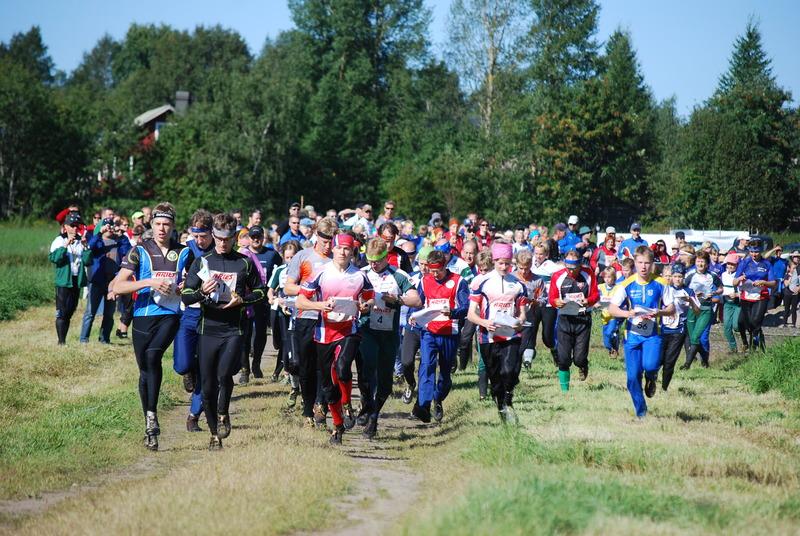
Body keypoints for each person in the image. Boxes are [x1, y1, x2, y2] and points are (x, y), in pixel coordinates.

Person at [181, 213, 266, 450]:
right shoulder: (202, 262)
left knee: (224, 374)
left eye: (227, 239)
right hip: (208, 329)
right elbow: (186, 296)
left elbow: (261, 291)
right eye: (218, 238)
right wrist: (201, 293)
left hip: (233, 329)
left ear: (235, 237)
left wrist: (243, 300)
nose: (222, 243)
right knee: (208, 386)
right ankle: (214, 434)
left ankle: (223, 412)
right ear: (213, 236)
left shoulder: (244, 262)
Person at [113, 203, 188, 451]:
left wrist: (183, 288)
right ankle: (150, 418)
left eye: (166, 224)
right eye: (158, 224)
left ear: (173, 226)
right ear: (152, 225)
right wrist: (149, 282)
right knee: (144, 370)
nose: (162, 228)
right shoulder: (139, 251)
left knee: (153, 356)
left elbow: (194, 284)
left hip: (170, 315)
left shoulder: (185, 252)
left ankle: (152, 419)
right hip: (143, 316)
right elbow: (118, 286)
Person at [296, 233, 374, 445]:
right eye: (339, 248)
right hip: (324, 333)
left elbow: (370, 298)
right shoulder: (320, 273)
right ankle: (337, 426)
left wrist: (365, 306)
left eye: (347, 249)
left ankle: (347, 403)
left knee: (342, 367)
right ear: (333, 249)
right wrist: (319, 305)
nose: (343, 252)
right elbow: (301, 301)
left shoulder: (360, 275)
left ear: (352, 251)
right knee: (328, 388)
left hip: (349, 329)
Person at [359, 238, 421, 438]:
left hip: (388, 334)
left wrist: (398, 299)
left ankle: (374, 416)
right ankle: (366, 405)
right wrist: (360, 305)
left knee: (385, 382)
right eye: (370, 260)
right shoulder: (361, 274)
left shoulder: (398, 275)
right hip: (367, 330)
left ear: (386, 257)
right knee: (367, 371)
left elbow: (416, 300)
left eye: (377, 261)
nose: (373, 264)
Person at [284, 217, 339, 426]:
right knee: (305, 366)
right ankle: (308, 408)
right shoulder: (303, 256)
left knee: (325, 366)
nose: (328, 246)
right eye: (325, 241)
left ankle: (320, 405)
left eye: (331, 241)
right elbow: (289, 287)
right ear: (317, 236)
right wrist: (308, 289)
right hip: (306, 316)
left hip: (329, 320)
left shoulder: (338, 259)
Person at [607, 248, 673, 419]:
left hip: (653, 335)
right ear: (635, 263)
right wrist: (626, 313)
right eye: (640, 263)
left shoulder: (661, 283)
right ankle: (641, 412)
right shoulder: (626, 284)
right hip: (632, 336)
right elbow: (612, 308)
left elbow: (672, 308)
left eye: (647, 263)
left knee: (650, 366)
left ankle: (651, 377)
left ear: (652, 264)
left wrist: (659, 312)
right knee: (632, 378)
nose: (643, 267)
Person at [467, 242, 528, 423]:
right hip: (488, 337)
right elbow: (471, 314)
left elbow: (522, 313)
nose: (504, 267)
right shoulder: (481, 282)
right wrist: (484, 322)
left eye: (507, 263)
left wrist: (520, 322)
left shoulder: (518, 284)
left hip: (511, 335)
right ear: (494, 261)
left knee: (509, 371)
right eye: (500, 263)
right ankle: (501, 406)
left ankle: (508, 400)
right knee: (495, 379)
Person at [410, 250, 469, 423]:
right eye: (432, 271)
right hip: (429, 332)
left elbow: (466, 307)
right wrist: (413, 316)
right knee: (426, 365)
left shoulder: (458, 281)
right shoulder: (424, 281)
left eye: (438, 271)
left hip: (449, 332)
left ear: (445, 266)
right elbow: (418, 303)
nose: (435, 274)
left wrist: (453, 312)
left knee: (445, 372)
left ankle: (438, 398)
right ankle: (424, 406)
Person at [548, 249, 599, 391]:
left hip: (583, 318)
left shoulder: (588, 274)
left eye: (574, 268)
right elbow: (551, 298)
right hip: (564, 318)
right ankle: (565, 390)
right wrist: (556, 302)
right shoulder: (557, 276)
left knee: (579, 358)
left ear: (580, 264)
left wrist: (588, 300)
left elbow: (596, 295)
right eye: (568, 267)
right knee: (563, 358)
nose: (571, 271)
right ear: (565, 264)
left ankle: (583, 364)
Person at [238, 225, 281, 384]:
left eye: (259, 237)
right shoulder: (242, 254)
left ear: (263, 238)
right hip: (245, 300)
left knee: (261, 334)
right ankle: (245, 370)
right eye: (253, 237)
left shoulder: (272, 254)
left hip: (263, 300)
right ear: (249, 238)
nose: (256, 239)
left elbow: (280, 274)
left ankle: (256, 363)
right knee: (244, 335)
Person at [80, 217, 130, 344]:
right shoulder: (98, 241)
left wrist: (121, 235)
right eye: (106, 225)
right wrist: (99, 233)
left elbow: (128, 251)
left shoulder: (119, 241)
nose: (109, 228)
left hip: (112, 283)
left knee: (109, 314)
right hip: (97, 281)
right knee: (90, 312)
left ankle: (104, 339)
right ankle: (84, 339)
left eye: (111, 225)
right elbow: (90, 247)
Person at [49, 213, 93, 345]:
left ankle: (63, 340)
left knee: (70, 311)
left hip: (76, 280)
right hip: (64, 281)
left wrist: (85, 246)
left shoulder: (81, 241)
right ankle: (61, 341)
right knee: (62, 312)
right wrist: (65, 245)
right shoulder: (59, 240)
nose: (75, 228)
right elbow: (54, 258)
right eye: (72, 226)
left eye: (77, 226)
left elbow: (88, 261)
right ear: (66, 226)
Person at [268, 241, 302, 404]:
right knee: (285, 344)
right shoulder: (280, 270)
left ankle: (297, 379)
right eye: (287, 257)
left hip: (301, 312)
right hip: (283, 313)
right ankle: (288, 374)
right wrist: (274, 299)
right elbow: (270, 290)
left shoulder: (304, 270)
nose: (290, 260)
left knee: (299, 348)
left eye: (293, 256)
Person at [398, 246, 432, 405]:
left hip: (430, 328)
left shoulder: (438, 280)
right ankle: (410, 384)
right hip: (412, 326)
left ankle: (423, 399)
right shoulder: (412, 278)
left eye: (427, 264)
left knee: (426, 364)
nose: (424, 268)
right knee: (406, 362)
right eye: (421, 264)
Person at [660, 263, 700, 390]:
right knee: (657, 359)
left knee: (670, 361)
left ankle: (664, 387)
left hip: (679, 330)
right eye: (675, 276)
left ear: (684, 277)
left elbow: (697, 311)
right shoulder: (664, 289)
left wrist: (691, 301)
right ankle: (652, 379)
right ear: (671, 276)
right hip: (663, 329)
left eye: (680, 276)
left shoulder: (688, 291)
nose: (677, 279)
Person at [681, 251, 723, 369]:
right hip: (692, 309)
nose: (700, 264)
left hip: (706, 309)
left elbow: (721, 288)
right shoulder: (690, 274)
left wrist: (714, 292)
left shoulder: (712, 275)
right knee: (693, 337)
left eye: (702, 262)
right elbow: (682, 289)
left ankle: (687, 364)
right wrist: (693, 294)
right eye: (698, 261)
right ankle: (705, 361)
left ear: (707, 264)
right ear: (695, 262)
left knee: (700, 337)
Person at [734, 240, 776, 351]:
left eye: (756, 252)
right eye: (751, 252)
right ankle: (747, 343)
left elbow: (773, 283)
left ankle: (754, 347)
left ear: (761, 251)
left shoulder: (766, 264)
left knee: (755, 322)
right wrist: (739, 279)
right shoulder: (745, 263)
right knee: (741, 323)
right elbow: (734, 282)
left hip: (761, 297)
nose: (754, 254)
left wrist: (764, 282)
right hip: (746, 296)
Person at [528, 243, 560, 365]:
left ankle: (554, 350)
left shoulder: (551, 266)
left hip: (548, 305)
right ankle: (528, 358)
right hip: (534, 304)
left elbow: (562, 278)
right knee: (531, 332)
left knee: (547, 336)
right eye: (536, 253)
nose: (538, 256)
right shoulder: (530, 264)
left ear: (546, 254)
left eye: (541, 254)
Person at [513, 250, 544, 368]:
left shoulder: (537, 280)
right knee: (512, 347)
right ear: (517, 265)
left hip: (529, 318)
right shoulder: (511, 278)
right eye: (521, 268)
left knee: (523, 346)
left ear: (531, 265)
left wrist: (536, 302)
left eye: (526, 268)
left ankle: (524, 361)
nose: (523, 271)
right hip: (512, 318)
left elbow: (543, 299)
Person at [720, 251, 742, 353]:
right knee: (726, 327)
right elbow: (721, 288)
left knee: (736, 326)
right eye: (728, 264)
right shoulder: (723, 275)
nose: (730, 266)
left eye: (733, 264)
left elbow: (745, 290)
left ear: (737, 265)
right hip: (727, 303)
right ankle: (733, 348)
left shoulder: (740, 275)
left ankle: (744, 342)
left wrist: (737, 294)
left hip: (738, 304)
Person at [598, 266, 620, 357]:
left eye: (609, 277)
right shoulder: (600, 287)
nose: (607, 279)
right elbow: (595, 297)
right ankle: (611, 349)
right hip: (604, 316)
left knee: (609, 333)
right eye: (605, 277)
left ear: (614, 277)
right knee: (606, 339)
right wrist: (596, 303)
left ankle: (614, 349)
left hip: (614, 316)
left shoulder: (618, 288)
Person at [783, 251, 800, 328]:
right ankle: (785, 323)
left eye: (798, 257)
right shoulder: (787, 274)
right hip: (787, 293)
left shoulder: (798, 271)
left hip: (795, 293)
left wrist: (798, 288)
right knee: (786, 309)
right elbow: (786, 284)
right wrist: (790, 274)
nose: (794, 268)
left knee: (794, 309)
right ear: (789, 268)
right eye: (792, 267)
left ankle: (793, 324)